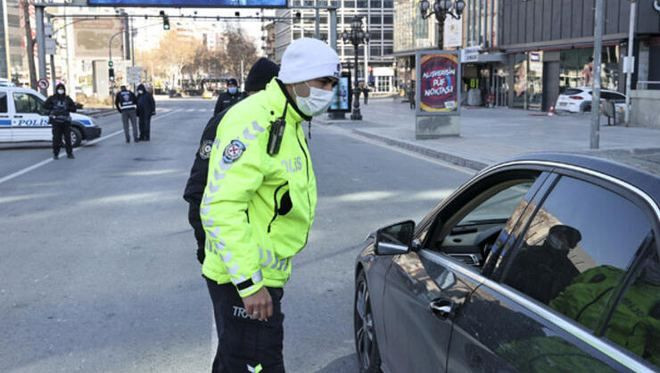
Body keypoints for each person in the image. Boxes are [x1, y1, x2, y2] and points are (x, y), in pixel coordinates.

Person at [200, 38, 340, 373]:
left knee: (236, 364)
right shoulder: (255, 120)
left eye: (333, 83)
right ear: (298, 79)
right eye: (323, 82)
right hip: (244, 280)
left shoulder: (288, 118)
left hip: (261, 276)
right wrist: (249, 284)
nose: (329, 91)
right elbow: (220, 206)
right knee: (258, 365)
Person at [183, 57, 280, 266]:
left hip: (262, 252)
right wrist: (204, 244)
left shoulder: (275, 123)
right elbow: (199, 187)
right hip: (227, 253)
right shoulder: (227, 121)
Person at [44, 83, 77, 160]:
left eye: (62, 89)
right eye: (59, 89)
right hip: (56, 121)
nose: (60, 90)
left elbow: (74, 108)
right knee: (56, 138)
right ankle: (56, 154)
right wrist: (53, 108)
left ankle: (69, 153)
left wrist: (68, 108)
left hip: (66, 121)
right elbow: (45, 106)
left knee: (67, 138)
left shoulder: (67, 99)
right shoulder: (52, 98)